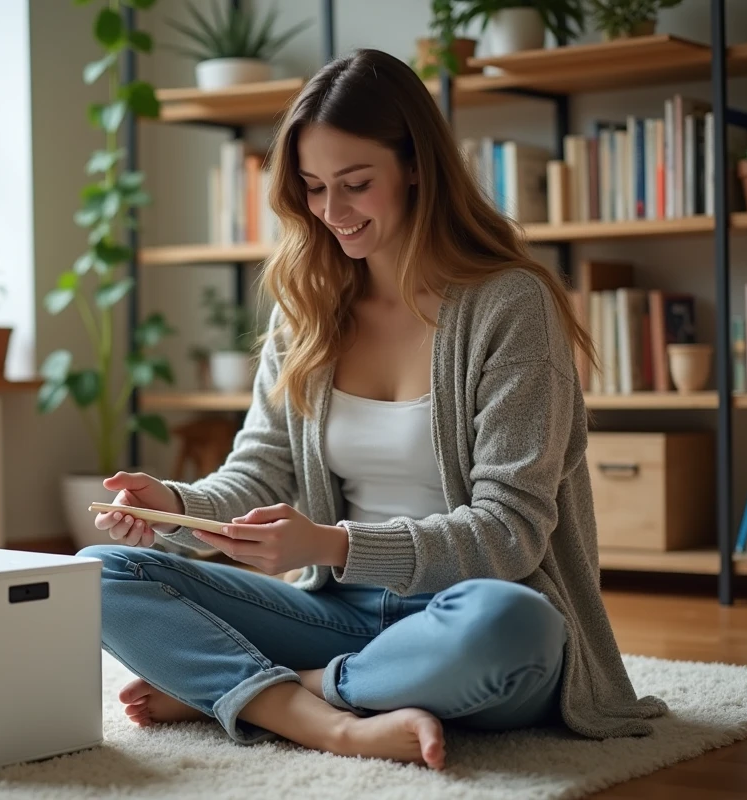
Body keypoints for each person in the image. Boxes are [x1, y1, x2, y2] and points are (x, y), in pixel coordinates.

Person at [77, 47, 667, 769]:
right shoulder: (308, 310)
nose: (333, 212)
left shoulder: (510, 306)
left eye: (356, 184)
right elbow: (260, 470)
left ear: (415, 165)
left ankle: (282, 690)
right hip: (339, 614)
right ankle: (334, 721)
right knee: (102, 572)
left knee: (516, 625)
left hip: (462, 617)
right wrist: (168, 503)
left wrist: (329, 544)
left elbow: (511, 533)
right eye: (314, 188)